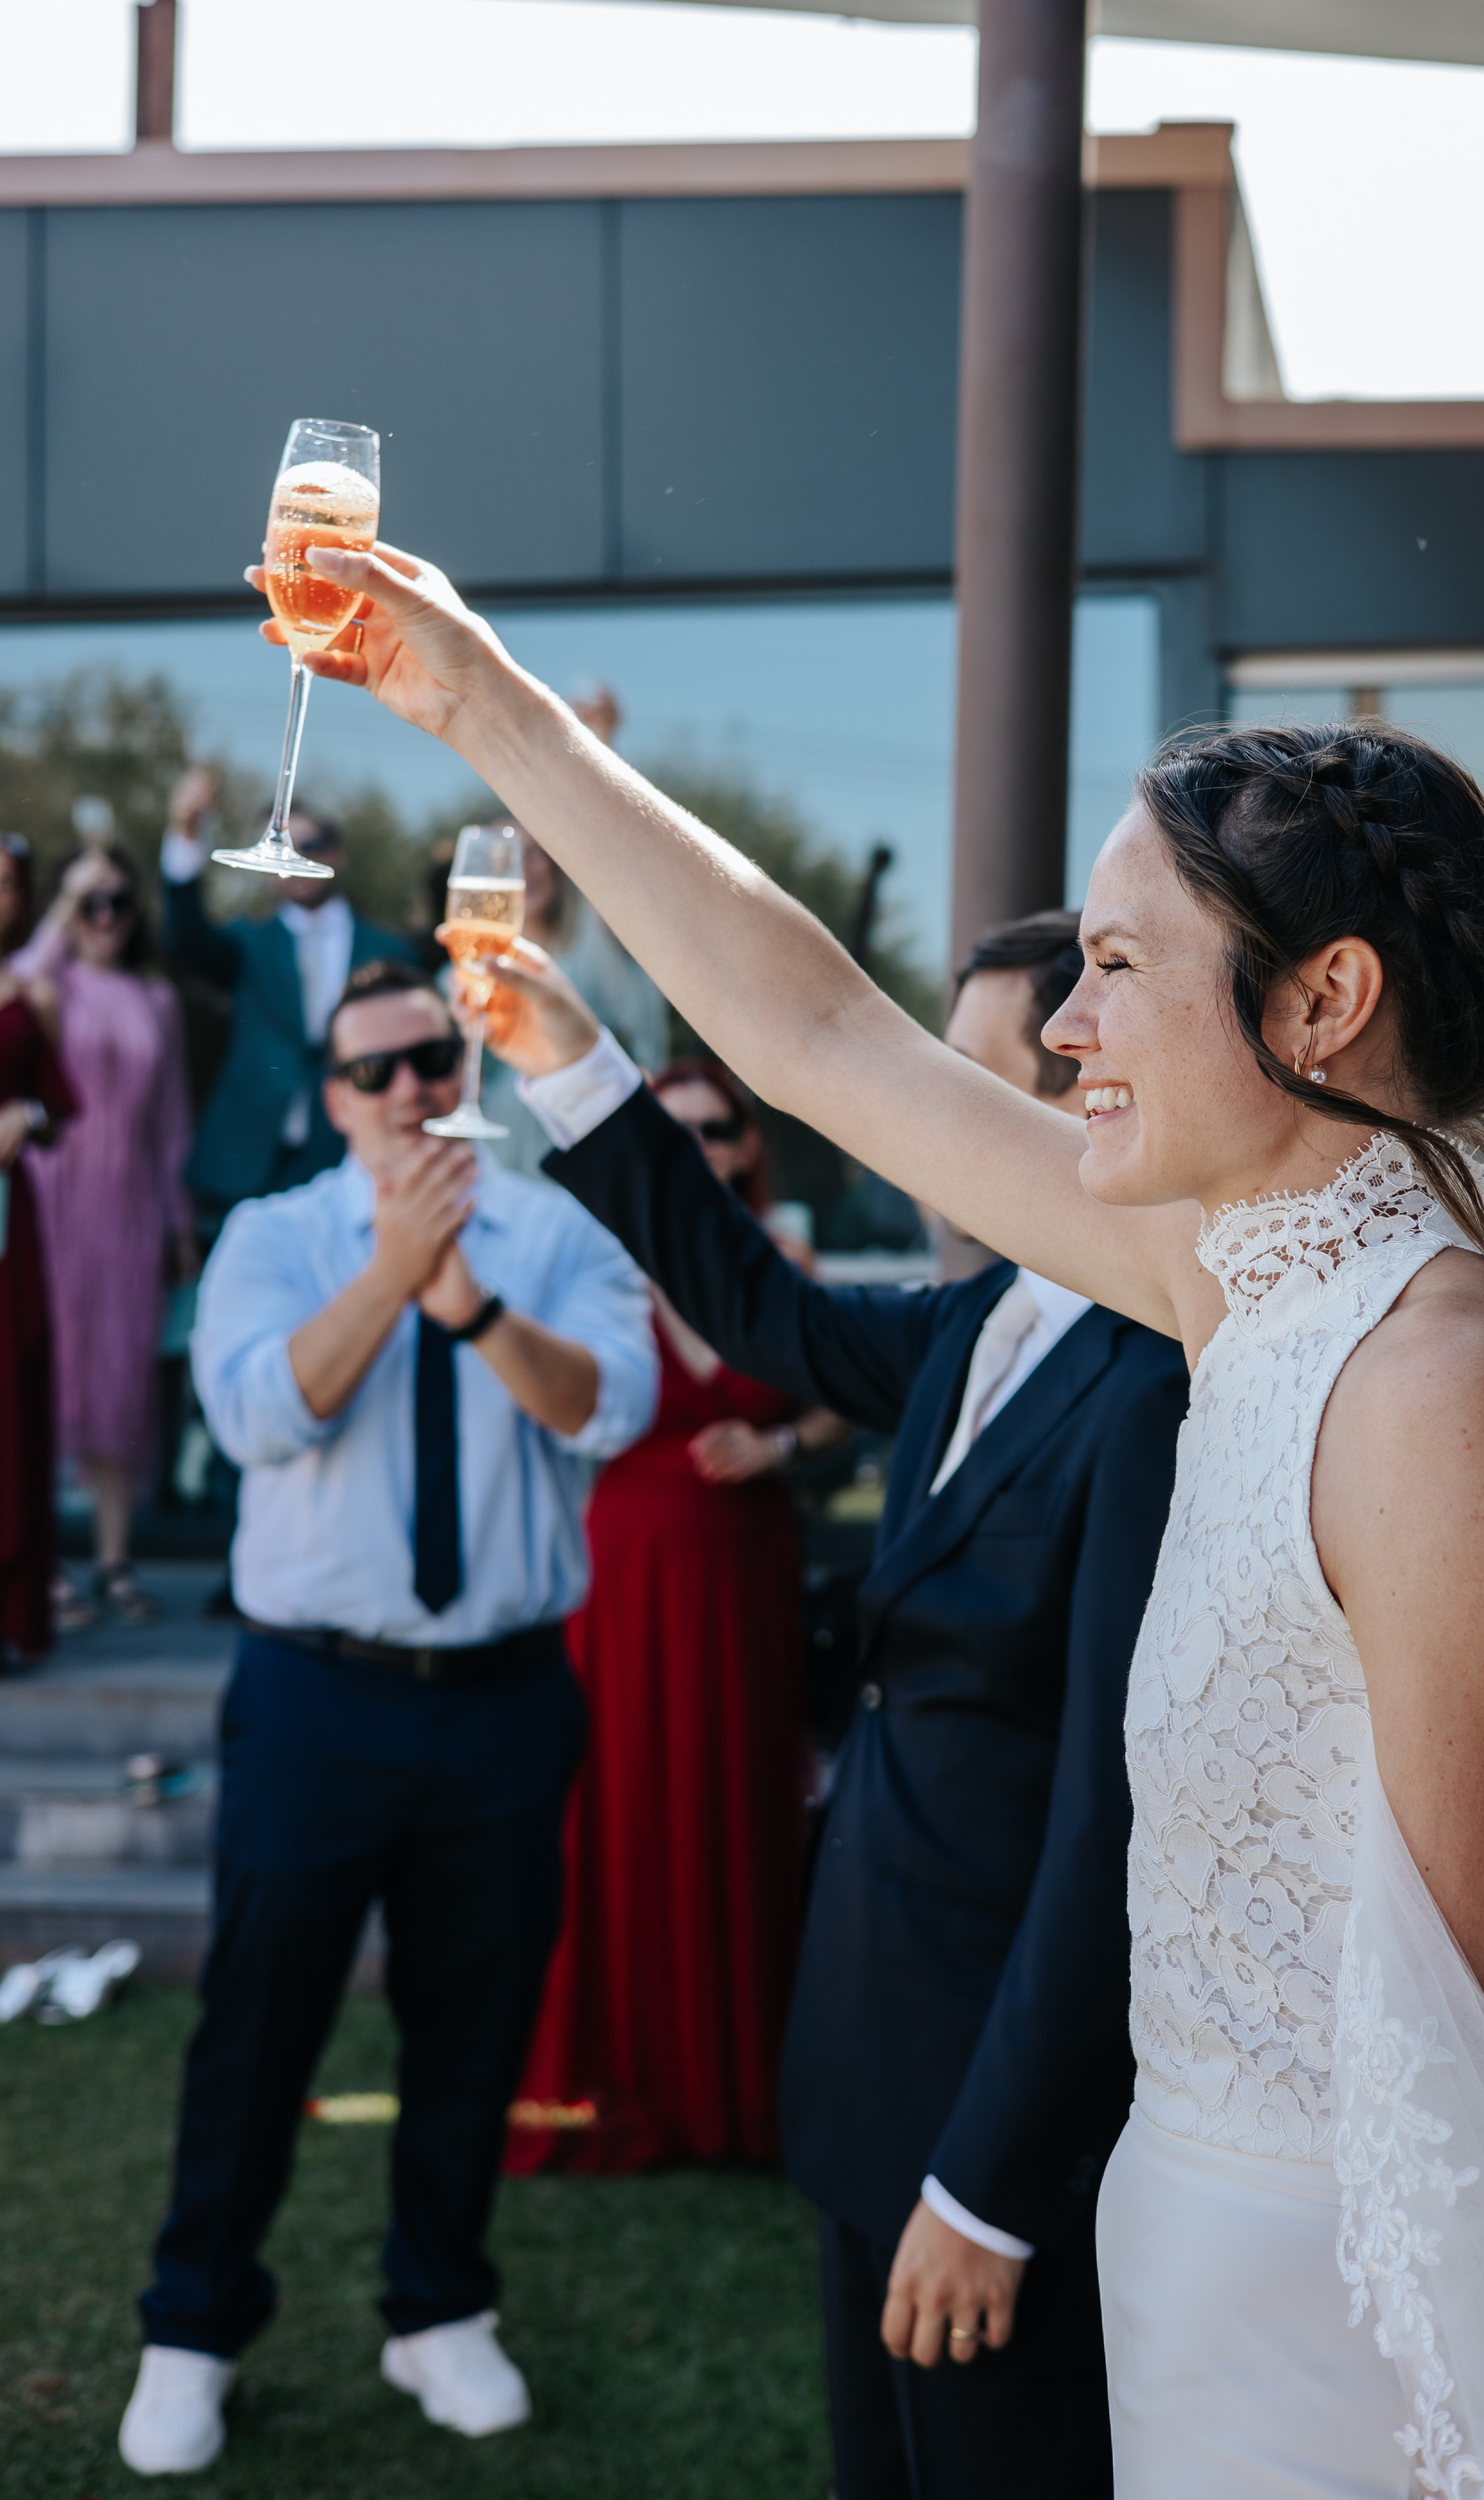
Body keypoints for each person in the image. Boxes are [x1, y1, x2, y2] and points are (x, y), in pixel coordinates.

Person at [296, 534, 1484, 2500]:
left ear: (1324, 998)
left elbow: (1464, 2091)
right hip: (1172, 2240)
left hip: (1338, 2338)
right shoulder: (1246, 1283)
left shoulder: (1452, 1400)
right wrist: (477, 699)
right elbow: (825, 1041)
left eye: (1115, 966)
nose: (1066, 1029)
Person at [486, 915, 1188, 2498]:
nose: (919, 1098)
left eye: (963, 1067)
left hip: (997, 2108)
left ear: (1077, 1091)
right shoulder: (977, 1322)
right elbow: (757, 1307)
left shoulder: (1154, 1383)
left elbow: (1107, 1831)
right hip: (868, 2060)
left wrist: (991, 2190)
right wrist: (568, 1065)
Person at [116, 959, 658, 2479]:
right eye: (374, 1071)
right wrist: (390, 1270)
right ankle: (193, 2327)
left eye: (431, 1057)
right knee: (259, 2018)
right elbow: (259, 1416)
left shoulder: (557, 1234)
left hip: (500, 1697)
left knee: (472, 2022)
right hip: (312, 1694)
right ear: (333, 1097)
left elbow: (602, 1408)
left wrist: (466, 1298)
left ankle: (437, 2306)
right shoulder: (271, 1236)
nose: (409, 1089)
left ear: (463, 1065)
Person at [508, 1054, 844, 2180]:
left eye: (716, 1130)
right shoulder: (601, 1267)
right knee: (619, 1804)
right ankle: (612, 2076)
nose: (699, 1150)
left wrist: (784, 1444)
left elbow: (857, 1392)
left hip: (744, 1573)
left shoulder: (784, 1262)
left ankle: (732, 2086)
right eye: (678, 1131)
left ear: (746, 1144)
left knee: (739, 1800)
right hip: (623, 1579)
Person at [18, 843, 196, 1626]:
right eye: (92, 904)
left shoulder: (156, 999)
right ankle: (42, 1563)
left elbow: (171, 1122)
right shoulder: (45, 981)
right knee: (46, 1372)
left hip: (129, 1206)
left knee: (120, 1380)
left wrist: (179, 1222)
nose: (104, 919)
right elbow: (18, 982)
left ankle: (114, 1563)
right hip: (54, 1196)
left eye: (117, 903)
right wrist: (67, 896)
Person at [160, 767, 413, 1219]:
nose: (295, 861)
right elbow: (183, 940)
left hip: (351, 1155)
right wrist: (186, 833)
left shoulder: (390, 951)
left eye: (310, 846)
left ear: (339, 853)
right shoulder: (246, 944)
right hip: (251, 1162)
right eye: (282, 850)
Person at [473, 827, 667, 1173]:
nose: (523, 868)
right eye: (506, 858)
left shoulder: (598, 939)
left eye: (534, 853)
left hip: (589, 1139)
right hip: (500, 1156)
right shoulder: (466, 973)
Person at [0, 838, 78, 1670]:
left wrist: (28, 1118)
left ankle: (12, 1604)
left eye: (8, 887)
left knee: (10, 1393)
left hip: (7, 1217)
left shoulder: (32, 993)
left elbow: (63, 1107)